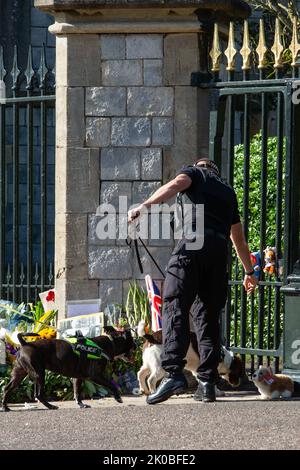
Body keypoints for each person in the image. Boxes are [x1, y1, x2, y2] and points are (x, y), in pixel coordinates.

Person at [128, 158, 258, 404]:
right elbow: (238, 241)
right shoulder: (228, 192)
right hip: (218, 257)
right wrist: (249, 273)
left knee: (175, 303)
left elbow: (176, 184)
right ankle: (207, 383)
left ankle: (174, 373)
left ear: (200, 167)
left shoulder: (194, 174)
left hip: (192, 246)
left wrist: (143, 207)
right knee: (208, 318)